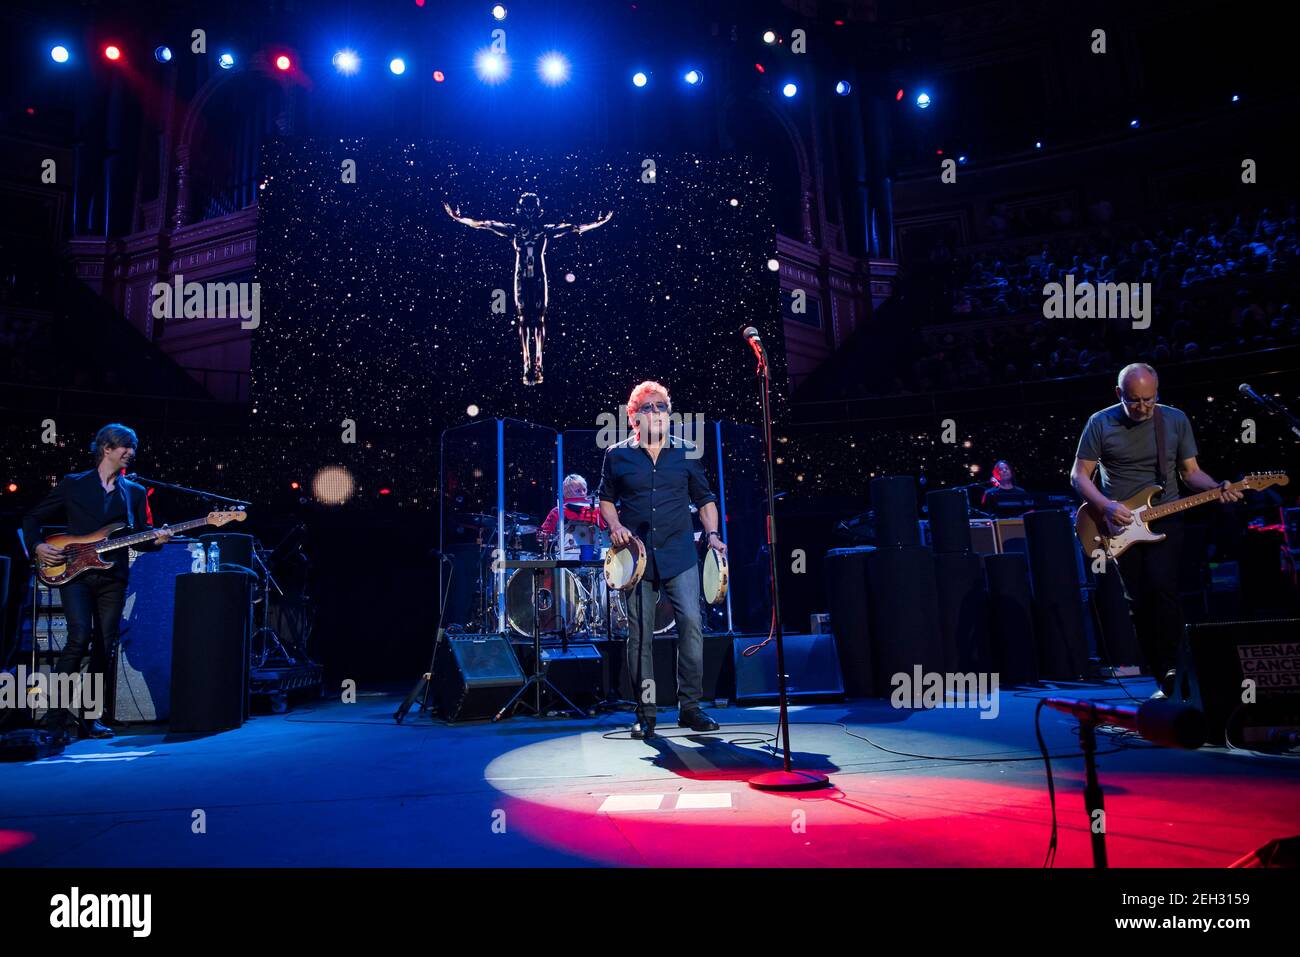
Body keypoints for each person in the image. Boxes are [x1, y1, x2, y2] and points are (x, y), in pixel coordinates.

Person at [1070, 364, 1241, 689]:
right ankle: (1162, 673)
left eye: (1150, 399)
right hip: (1118, 525)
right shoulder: (1100, 422)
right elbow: (1078, 475)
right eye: (1135, 400)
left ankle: (1179, 667)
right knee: (1138, 600)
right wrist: (1106, 507)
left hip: (1166, 517)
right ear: (1119, 394)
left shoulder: (1174, 420)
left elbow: (1190, 473)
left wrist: (1217, 488)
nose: (1144, 407)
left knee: (1163, 588)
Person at [21, 424, 174, 738]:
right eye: (125, 448)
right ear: (107, 448)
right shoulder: (73, 484)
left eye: (132, 449)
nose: (130, 454)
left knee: (105, 646)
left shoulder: (133, 492)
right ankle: (55, 720)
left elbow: (138, 537)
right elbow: (32, 518)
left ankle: (91, 718)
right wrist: (37, 545)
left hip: (113, 578)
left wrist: (156, 540)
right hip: (75, 574)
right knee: (79, 639)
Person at [598, 381, 724, 738]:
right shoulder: (617, 455)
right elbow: (605, 498)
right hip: (636, 559)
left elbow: (705, 499)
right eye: (649, 407)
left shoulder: (686, 452)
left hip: (680, 553)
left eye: (662, 407)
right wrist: (616, 525)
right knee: (640, 636)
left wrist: (712, 536)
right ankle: (646, 713)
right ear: (634, 416)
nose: (657, 413)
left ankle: (691, 708)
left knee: (692, 627)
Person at [444, 193, 612, 385]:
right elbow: (484, 224)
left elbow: (574, 228)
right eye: (526, 206)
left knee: (537, 319)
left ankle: (537, 362)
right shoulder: (517, 230)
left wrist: (598, 223)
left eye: (532, 206)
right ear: (521, 209)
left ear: (537, 209)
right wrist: (459, 218)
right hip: (523, 277)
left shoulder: (541, 230)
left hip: (536, 277)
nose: (529, 211)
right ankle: (527, 362)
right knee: (525, 319)